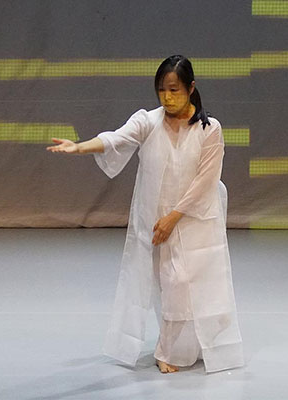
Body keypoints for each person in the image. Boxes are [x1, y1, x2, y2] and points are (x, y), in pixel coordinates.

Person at [47, 55, 245, 374]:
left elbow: (206, 180)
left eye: (174, 90)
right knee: (170, 285)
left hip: (196, 218)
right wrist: (80, 147)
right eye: (162, 90)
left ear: (191, 88)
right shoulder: (149, 121)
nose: (167, 97)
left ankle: (184, 348)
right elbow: (116, 138)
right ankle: (172, 349)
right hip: (157, 218)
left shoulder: (209, 128)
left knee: (193, 284)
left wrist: (174, 217)